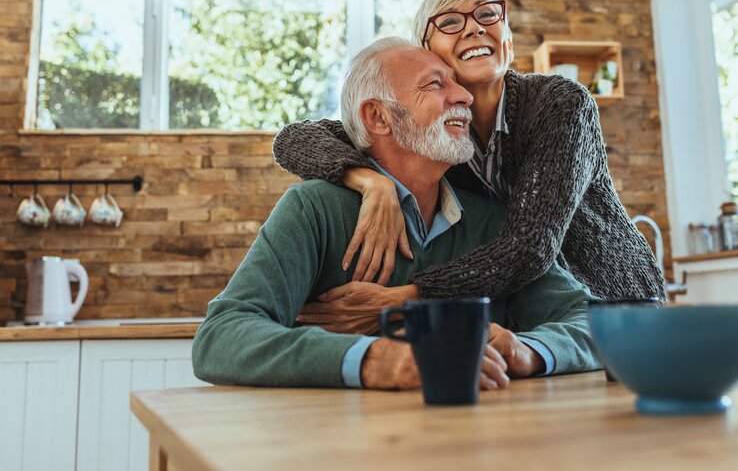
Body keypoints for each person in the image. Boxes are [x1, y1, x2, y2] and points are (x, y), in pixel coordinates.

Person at [192, 38, 600, 390]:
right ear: (378, 117)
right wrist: (376, 359)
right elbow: (221, 337)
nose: (464, 96)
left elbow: (594, 323)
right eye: (436, 85)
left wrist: (527, 349)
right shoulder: (313, 209)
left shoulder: (493, 223)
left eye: (456, 83)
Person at [272, 0, 664, 335]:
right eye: (450, 22)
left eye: (487, 14)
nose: (475, 27)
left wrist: (407, 297)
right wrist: (370, 181)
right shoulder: (431, 134)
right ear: (428, 54)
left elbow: (529, 247)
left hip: (613, 304)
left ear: (507, 40)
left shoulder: (560, 104)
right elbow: (295, 138)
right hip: (526, 320)